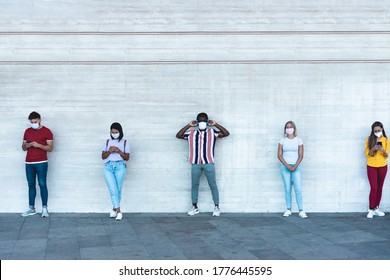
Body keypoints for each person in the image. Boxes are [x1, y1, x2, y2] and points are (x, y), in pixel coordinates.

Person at [176, 112, 230, 216]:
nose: (202, 122)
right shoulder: (191, 133)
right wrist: (189, 125)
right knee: (194, 185)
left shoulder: (212, 132)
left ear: (207, 121)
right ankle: (194, 207)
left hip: (208, 162)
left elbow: (226, 133)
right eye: (200, 121)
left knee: (213, 185)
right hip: (195, 163)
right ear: (197, 122)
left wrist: (215, 124)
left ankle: (216, 207)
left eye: (203, 121)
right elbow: (178, 135)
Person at [21, 111, 54, 217]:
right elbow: (23, 148)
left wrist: (38, 145)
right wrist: (28, 145)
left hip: (41, 162)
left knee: (42, 184)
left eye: (35, 121)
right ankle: (31, 208)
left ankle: (45, 208)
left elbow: (50, 148)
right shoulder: (27, 131)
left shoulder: (47, 131)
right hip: (29, 162)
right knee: (31, 185)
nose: (33, 123)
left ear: (39, 120)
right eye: (31, 122)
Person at [277, 121, 307, 218]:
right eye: (287, 127)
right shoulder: (282, 140)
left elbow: (301, 155)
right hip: (285, 167)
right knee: (287, 188)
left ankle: (301, 210)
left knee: (297, 188)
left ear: (294, 128)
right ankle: (288, 209)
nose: (289, 129)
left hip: (296, 166)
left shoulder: (299, 140)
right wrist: (287, 165)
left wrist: (294, 166)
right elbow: (279, 155)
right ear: (285, 129)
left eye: (290, 127)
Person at [102, 122, 130, 221]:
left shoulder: (125, 142)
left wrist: (118, 151)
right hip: (108, 167)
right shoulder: (107, 142)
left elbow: (127, 157)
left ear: (120, 132)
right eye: (112, 132)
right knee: (112, 189)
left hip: (120, 166)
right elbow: (103, 157)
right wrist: (109, 151)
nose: (114, 134)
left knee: (117, 189)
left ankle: (114, 210)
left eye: (116, 132)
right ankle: (119, 211)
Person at [365, 121, 388, 218]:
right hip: (371, 166)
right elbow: (367, 154)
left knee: (379, 188)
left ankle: (376, 208)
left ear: (382, 129)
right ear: (373, 131)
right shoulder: (369, 139)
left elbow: (387, 156)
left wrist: (383, 150)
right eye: (375, 131)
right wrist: (373, 148)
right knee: (374, 188)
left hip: (383, 166)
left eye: (379, 130)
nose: (377, 132)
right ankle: (370, 209)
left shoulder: (386, 140)